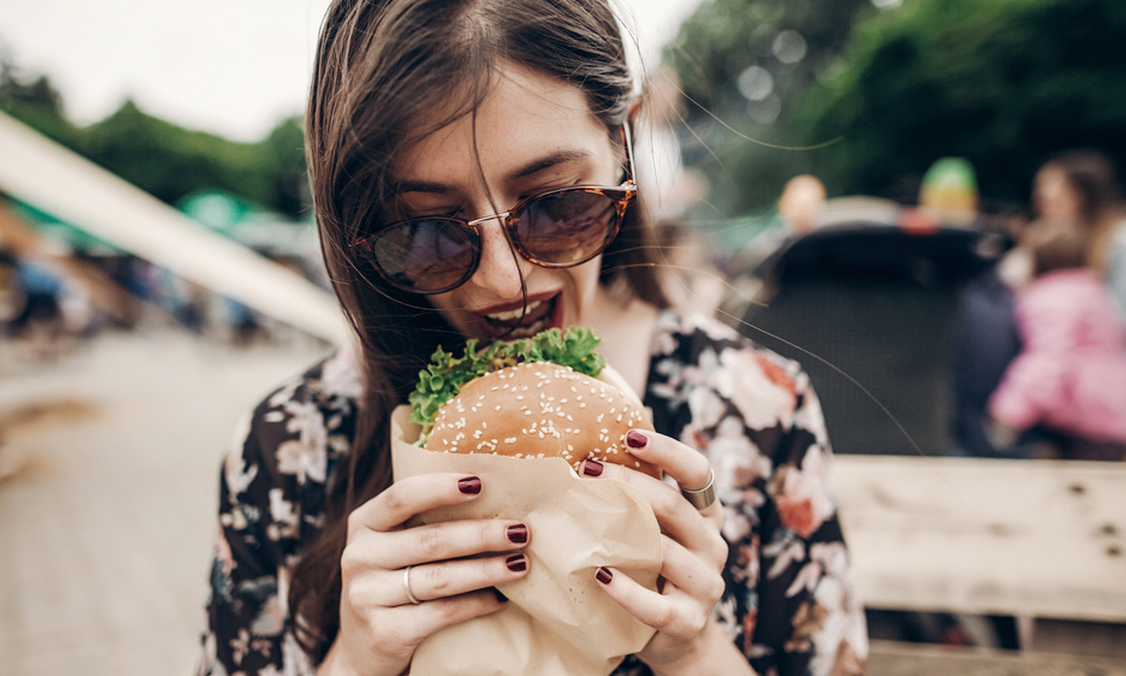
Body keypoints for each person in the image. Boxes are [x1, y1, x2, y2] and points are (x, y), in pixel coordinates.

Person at [197, 1, 867, 674]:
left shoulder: (760, 414)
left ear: (623, 148)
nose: (504, 281)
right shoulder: (289, 447)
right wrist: (355, 661)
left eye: (556, 205)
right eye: (428, 230)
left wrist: (693, 653)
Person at [988, 220, 1126, 461]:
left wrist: (1009, 412)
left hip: (1086, 421)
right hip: (1113, 414)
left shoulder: (1049, 297)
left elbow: (1049, 358)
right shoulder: (1094, 292)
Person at [1032, 150, 1126, 317]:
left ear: (1083, 199)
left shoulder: (1119, 241)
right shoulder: (1060, 246)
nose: (1044, 213)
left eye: (1054, 203)